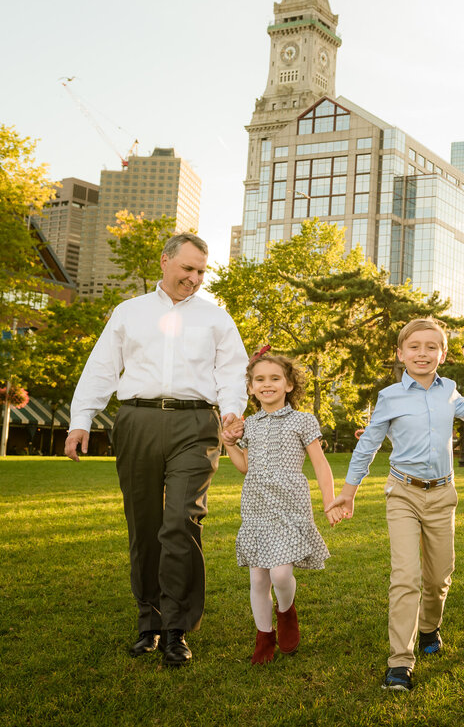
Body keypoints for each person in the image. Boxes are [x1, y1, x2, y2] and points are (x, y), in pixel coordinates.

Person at [65, 233, 248, 668]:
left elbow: (234, 371)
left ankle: (177, 628)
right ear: (165, 262)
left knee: (182, 520)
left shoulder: (216, 318)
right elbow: (101, 368)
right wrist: (80, 421)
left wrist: (233, 411)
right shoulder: (129, 313)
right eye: (187, 269)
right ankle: (149, 620)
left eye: (201, 271)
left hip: (196, 424)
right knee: (144, 523)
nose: (195, 278)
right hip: (137, 420)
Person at [329, 318, 464, 692]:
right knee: (406, 577)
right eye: (414, 347)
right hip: (403, 494)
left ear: (443, 355)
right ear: (400, 354)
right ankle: (400, 663)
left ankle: (430, 626)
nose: (422, 353)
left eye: (431, 347)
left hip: (442, 495)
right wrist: (349, 491)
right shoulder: (390, 396)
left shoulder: (449, 390)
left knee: (439, 577)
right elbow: (368, 444)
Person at [221, 350, 344, 664]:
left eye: (275, 378)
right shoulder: (248, 425)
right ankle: (264, 637)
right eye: (259, 380)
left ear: (289, 384)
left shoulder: (303, 421)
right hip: (256, 506)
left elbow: (320, 463)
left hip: (290, 506)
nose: (267, 385)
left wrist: (330, 501)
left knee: (279, 574)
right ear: (250, 387)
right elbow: (245, 466)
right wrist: (229, 444)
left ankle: (286, 612)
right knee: (258, 579)